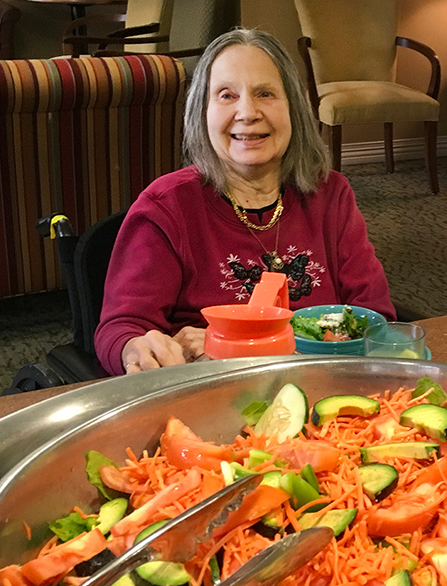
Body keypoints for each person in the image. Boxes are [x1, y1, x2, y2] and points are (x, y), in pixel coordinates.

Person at [94, 28, 396, 376]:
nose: (247, 112)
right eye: (226, 95)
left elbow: (376, 316)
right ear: (201, 113)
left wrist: (232, 344)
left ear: (293, 109)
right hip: (208, 398)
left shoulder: (331, 195)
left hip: (326, 394)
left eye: (265, 94)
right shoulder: (166, 208)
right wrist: (137, 348)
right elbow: (120, 330)